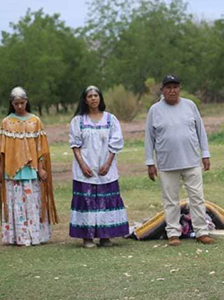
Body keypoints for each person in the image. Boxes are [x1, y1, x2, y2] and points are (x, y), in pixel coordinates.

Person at [144, 74, 215, 246]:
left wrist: (205, 154)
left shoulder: (190, 106)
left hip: (191, 161)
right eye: (168, 87)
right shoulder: (155, 110)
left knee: (197, 198)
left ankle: (201, 231)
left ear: (179, 89)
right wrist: (150, 162)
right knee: (171, 201)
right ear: (162, 90)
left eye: (175, 87)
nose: (172, 90)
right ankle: (173, 234)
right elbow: (149, 138)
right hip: (167, 164)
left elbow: (200, 130)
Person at [0, 87, 58, 246]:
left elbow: (41, 147)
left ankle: (36, 236)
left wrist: (42, 167)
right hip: (12, 171)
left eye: (22, 103)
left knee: (33, 202)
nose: (19, 106)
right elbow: (1, 150)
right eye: (16, 103)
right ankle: (18, 237)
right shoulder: (7, 122)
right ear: (11, 103)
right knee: (15, 203)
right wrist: (0, 169)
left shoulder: (35, 121)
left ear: (26, 102)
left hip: (32, 170)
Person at [69, 86, 129, 248]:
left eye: (96, 95)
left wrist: (108, 163)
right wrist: (82, 165)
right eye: (90, 96)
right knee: (87, 201)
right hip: (85, 169)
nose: (93, 98)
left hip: (105, 168)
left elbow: (115, 143)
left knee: (105, 201)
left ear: (100, 98)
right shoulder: (79, 121)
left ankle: (105, 236)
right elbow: (75, 145)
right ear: (85, 99)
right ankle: (87, 238)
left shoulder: (110, 119)